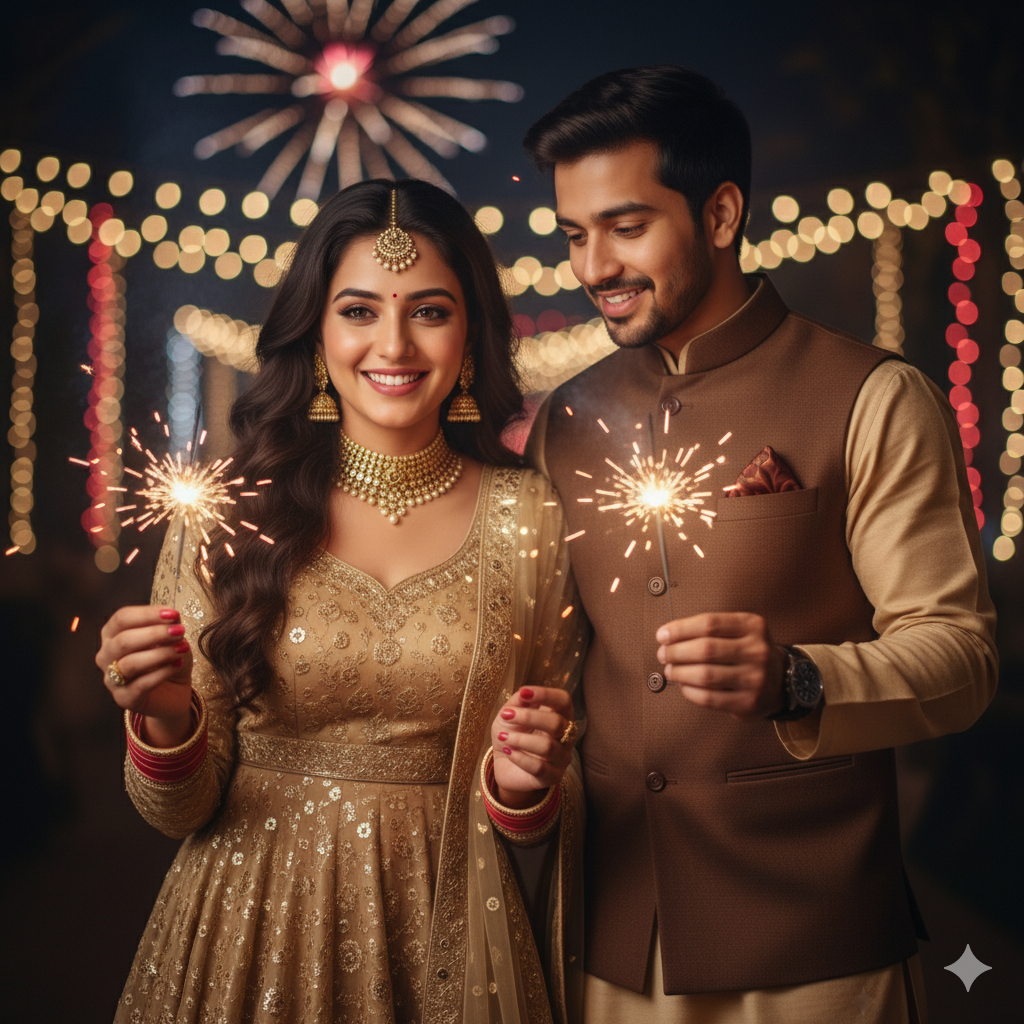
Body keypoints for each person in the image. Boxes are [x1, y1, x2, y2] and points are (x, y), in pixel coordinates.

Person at [522, 65, 997, 1024]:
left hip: (813, 945)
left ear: (722, 213)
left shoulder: (873, 396)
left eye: (626, 226)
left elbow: (962, 659)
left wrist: (800, 680)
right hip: (608, 941)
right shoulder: (563, 422)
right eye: (575, 234)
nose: (594, 266)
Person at [97, 179, 587, 1024]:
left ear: (470, 334)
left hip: (452, 936)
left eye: (429, 311)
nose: (393, 343)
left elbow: (561, 787)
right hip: (247, 937)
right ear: (315, 334)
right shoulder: (228, 513)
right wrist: (167, 716)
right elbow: (178, 810)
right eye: (359, 311)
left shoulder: (531, 516)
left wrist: (521, 788)